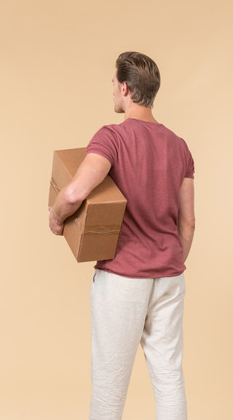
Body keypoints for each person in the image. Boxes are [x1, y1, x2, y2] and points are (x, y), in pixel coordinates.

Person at [49, 51, 195, 420]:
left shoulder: (113, 137)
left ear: (126, 88)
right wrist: (171, 261)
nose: (113, 90)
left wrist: (55, 216)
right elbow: (188, 223)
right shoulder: (179, 146)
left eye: (114, 84)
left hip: (123, 277)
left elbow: (73, 193)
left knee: (110, 386)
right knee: (168, 377)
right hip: (169, 276)